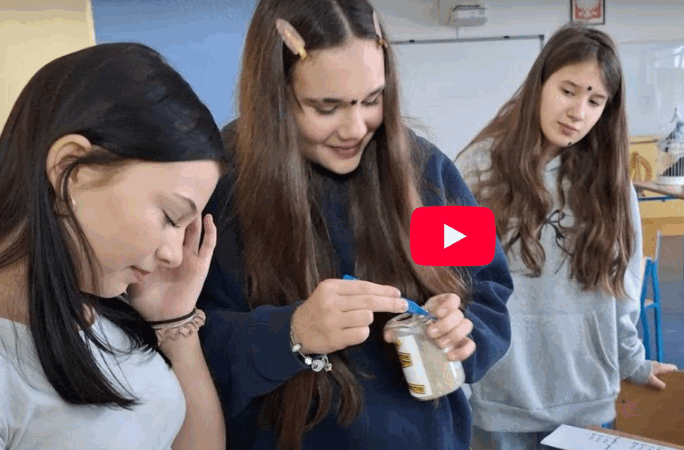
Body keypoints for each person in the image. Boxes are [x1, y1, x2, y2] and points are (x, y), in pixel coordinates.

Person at [196, 0, 513, 449]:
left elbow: (489, 292)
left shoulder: (424, 170)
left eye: (372, 100)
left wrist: (464, 331)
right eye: (325, 107)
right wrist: (292, 332)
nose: (354, 128)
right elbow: (186, 344)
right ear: (274, 95)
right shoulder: (220, 184)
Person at [454, 24, 678, 450]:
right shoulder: (477, 169)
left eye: (595, 101)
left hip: (587, 401)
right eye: (568, 91)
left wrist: (633, 361)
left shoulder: (612, 184)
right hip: (501, 405)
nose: (578, 112)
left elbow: (623, 287)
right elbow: (449, 281)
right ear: (539, 84)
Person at [0, 43, 227, 449]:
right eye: (170, 217)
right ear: (71, 170)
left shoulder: (107, 297)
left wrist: (173, 322)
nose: (174, 254)